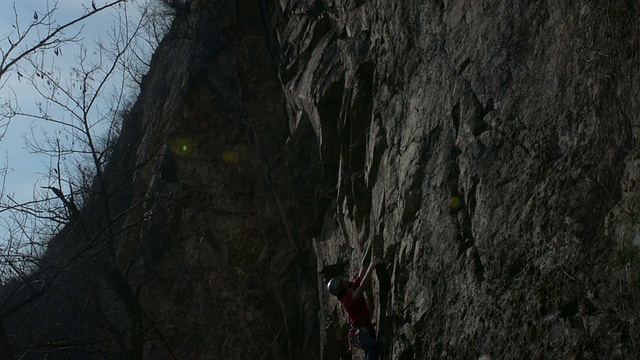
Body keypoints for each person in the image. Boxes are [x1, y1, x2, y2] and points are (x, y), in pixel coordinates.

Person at [327, 253, 385, 360]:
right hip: (359, 334)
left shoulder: (352, 287)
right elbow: (363, 286)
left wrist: (369, 248)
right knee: (372, 346)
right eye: (341, 280)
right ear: (342, 287)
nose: (344, 278)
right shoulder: (346, 300)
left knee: (372, 349)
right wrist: (372, 267)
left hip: (365, 331)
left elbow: (363, 268)